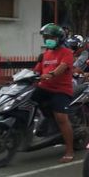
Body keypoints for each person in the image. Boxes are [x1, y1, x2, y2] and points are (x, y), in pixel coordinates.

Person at [33, 23, 76, 163]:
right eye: (46, 37)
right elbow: (36, 71)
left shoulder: (67, 53)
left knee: (61, 118)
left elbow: (62, 67)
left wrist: (51, 74)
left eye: (51, 37)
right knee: (26, 101)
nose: (48, 40)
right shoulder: (45, 54)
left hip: (61, 90)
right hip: (44, 88)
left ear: (59, 38)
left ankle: (69, 150)